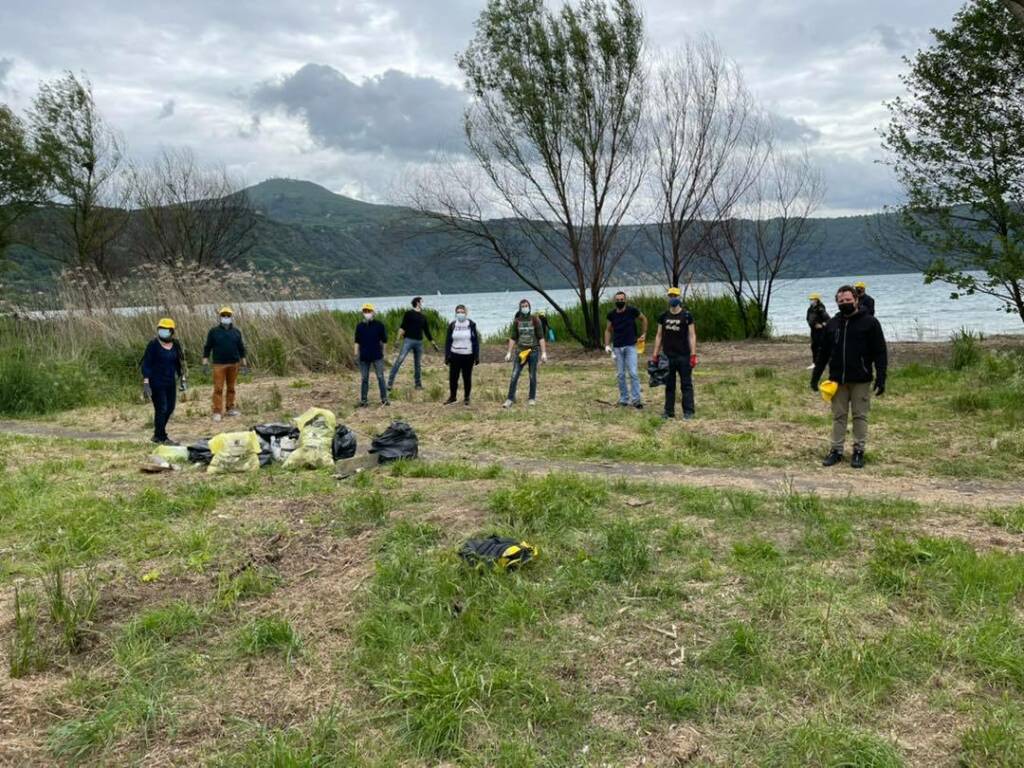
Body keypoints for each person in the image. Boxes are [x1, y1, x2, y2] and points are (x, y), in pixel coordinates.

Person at [811, 285, 888, 469]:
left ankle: (858, 451)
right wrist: (816, 376)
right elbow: (823, 353)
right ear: (837, 302)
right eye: (841, 301)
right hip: (838, 380)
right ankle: (836, 451)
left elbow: (880, 352)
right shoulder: (832, 324)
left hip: (861, 378)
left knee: (860, 416)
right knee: (839, 416)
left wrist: (881, 376)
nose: (845, 303)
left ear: (856, 300)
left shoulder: (870, 323)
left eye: (848, 300)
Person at [651, 287, 698, 420]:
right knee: (669, 385)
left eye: (675, 295)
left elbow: (692, 335)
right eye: (670, 295)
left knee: (686, 385)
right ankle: (668, 411)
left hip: (683, 355)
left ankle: (689, 412)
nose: (673, 298)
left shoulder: (687, 315)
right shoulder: (663, 316)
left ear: (679, 297)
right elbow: (659, 336)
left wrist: (693, 355)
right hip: (668, 356)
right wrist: (655, 355)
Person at [141, 318, 187, 445]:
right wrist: (146, 383)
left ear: (172, 331)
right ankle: (161, 436)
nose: (163, 332)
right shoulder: (153, 345)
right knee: (161, 408)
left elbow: (180, 363)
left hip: (170, 381)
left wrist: (182, 379)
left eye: (166, 330)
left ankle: (157, 434)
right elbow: (146, 364)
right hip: (156, 382)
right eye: (160, 329)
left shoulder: (176, 344)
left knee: (170, 408)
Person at [202, 306, 248, 423]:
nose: (226, 317)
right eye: (223, 315)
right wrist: (205, 362)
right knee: (218, 388)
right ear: (220, 317)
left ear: (231, 317)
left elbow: (241, 348)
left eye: (228, 315)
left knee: (231, 388)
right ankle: (217, 411)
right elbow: (207, 347)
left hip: (234, 363)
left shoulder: (236, 332)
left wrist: (244, 362)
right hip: (219, 364)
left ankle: (230, 408)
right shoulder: (213, 331)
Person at [604, 290, 648, 408]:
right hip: (617, 347)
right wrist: (607, 345)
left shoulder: (632, 311)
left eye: (622, 300)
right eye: (617, 300)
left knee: (633, 373)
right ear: (615, 301)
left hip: (631, 346)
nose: (620, 302)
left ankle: (636, 400)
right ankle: (624, 399)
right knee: (621, 374)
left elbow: (644, 319)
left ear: (625, 300)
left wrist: (643, 333)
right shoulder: (611, 315)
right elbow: (608, 330)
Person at [503, 299, 548, 408]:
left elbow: (541, 337)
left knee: (532, 375)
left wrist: (544, 353)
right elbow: (513, 337)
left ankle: (532, 398)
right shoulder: (517, 321)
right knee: (514, 375)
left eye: (526, 305)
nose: (525, 307)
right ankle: (510, 398)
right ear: (520, 308)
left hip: (533, 352)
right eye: (523, 306)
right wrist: (509, 352)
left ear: (529, 307)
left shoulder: (535, 319)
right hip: (520, 352)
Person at [388, 296, 439, 391]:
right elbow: (402, 327)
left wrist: (433, 344)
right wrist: (397, 340)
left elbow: (427, 332)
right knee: (399, 360)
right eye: (422, 302)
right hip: (408, 340)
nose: (423, 303)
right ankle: (389, 384)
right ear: (417, 303)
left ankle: (418, 385)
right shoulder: (409, 314)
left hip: (419, 342)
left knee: (418, 364)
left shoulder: (423, 317)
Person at [444, 304, 480, 405]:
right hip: (455, 355)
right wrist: (447, 356)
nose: (460, 314)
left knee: (467, 377)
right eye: (458, 312)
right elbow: (448, 341)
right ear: (455, 313)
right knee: (453, 377)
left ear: (466, 313)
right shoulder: (452, 325)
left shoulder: (471, 324)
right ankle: (452, 397)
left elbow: (475, 341)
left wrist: (476, 356)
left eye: (462, 312)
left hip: (468, 355)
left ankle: (467, 397)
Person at [355, 303, 389, 407]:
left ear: (373, 312)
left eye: (369, 311)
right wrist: (356, 354)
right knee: (364, 378)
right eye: (365, 311)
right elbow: (357, 341)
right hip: (364, 357)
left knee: (380, 377)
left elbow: (385, 341)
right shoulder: (359, 326)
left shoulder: (379, 325)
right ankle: (364, 400)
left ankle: (384, 399)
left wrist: (384, 353)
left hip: (377, 356)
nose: (367, 313)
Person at [806, 293, 830, 370]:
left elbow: (828, 320)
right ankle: (815, 363)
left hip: (820, 332)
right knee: (814, 346)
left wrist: (822, 325)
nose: (811, 301)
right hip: (813, 331)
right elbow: (808, 318)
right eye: (810, 299)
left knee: (821, 347)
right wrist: (812, 324)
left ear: (816, 300)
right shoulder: (810, 309)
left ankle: (824, 362)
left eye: (812, 299)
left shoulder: (821, 309)